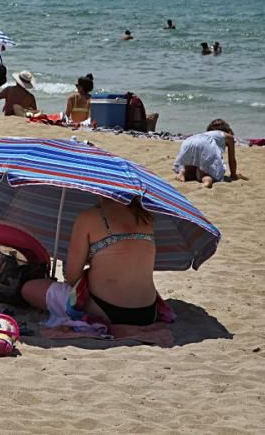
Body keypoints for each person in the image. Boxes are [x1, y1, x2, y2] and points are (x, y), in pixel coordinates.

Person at [21, 197, 157, 326]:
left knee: (29, 289)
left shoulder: (89, 217)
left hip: (106, 310)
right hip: (148, 312)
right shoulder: (145, 218)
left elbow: (72, 277)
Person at [173, 119, 242, 188]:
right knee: (205, 174)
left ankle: (183, 173)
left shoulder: (207, 134)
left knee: (190, 170)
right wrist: (233, 174)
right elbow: (231, 159)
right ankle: (207, 182)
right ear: (228, 130)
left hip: (189, 141)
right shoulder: (228, 136)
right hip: (205, 143)